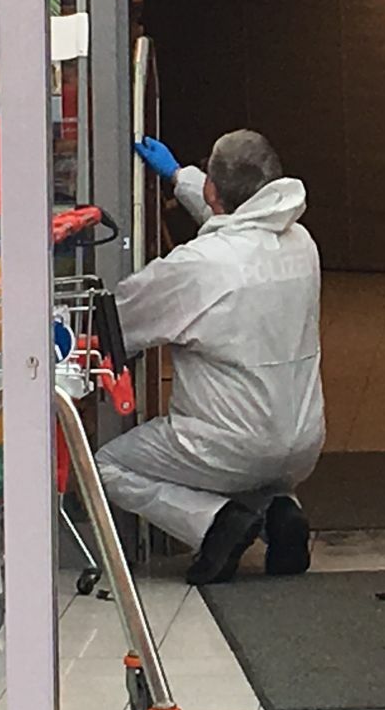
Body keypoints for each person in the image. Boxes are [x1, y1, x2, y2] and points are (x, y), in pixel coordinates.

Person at [99, 129, 322, 585]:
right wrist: (178, 176)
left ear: (212, 190)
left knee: (106, 466)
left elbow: (119, 321)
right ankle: (279, 511)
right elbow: (243, 230)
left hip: (227, 445)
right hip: (301, 444)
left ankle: (216, 525)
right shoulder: (302, 244)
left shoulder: (196, 266)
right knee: (259, 470)